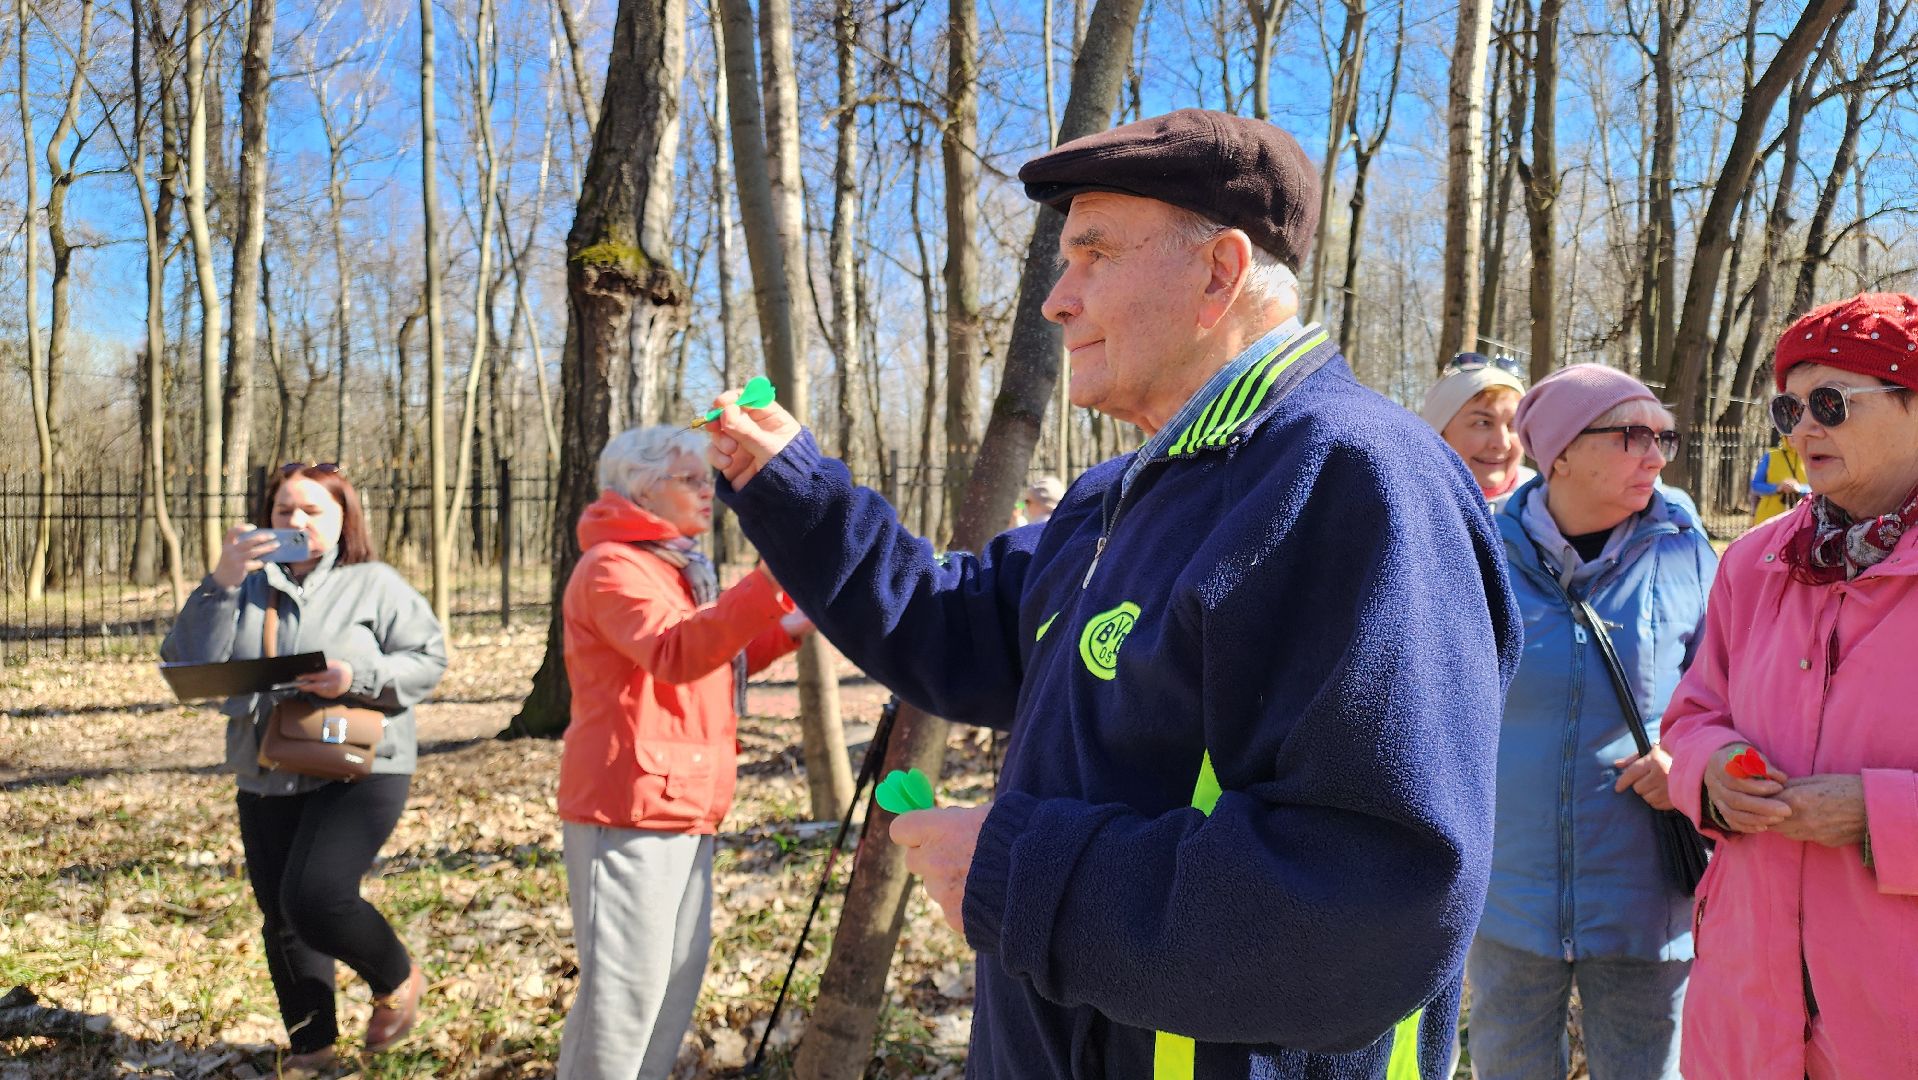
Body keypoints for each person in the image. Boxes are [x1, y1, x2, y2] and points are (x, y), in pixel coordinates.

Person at [703, 109, 1521, 1079]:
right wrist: (791, 487)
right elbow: (949, 628)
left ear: (1219, 274)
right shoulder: (1125, 490)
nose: (1056, 300)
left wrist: (1025, 876)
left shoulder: (1352, 477)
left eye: (1093, 254)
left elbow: (1375, 895)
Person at [1662, 292, 1918, 1080]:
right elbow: (1693, 714)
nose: (1804, 429)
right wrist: (1711, 770)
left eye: (1832, 404)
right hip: (1746, 1005)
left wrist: (1878, 815)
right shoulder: (1754, 560)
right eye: (1789, 407)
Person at [1465, 364, 1716, 1080]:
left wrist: (1686, 758)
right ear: (1561, 451)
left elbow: (1730, 696)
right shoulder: (1481, 550)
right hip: (1510, 897)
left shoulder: (1685, 549)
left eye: (1663, 437)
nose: (1657, 455)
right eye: (1633, 435)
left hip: (1646, 901)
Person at [160, 463, 446, 1072]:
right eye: (285, 510)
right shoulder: (241, 584)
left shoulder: (375, 583)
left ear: (345, 519)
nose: (297, 522)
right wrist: (223, 582)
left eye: (314, 511)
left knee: (315, 897)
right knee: (281, 919)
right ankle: (313, 1051)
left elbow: (429, 660)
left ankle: (397, 976)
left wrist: (356, 677)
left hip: (363, 760)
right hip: (268, 764)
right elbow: (189, 665)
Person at [555, 425, 809, 1080]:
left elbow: (713, 658)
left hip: (687, 800)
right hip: (629, 805)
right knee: (625, 997)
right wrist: (768, 577)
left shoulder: (673, 564)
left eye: (709, 480)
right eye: (692, 480)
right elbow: (673, 653)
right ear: (643, 488)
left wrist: (787, 627)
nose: (708, 493)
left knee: (671, 984)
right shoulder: (613, 566)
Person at [1420, 352, 1533, 510]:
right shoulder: (1406, 507)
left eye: (1512, 425)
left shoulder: (1548, 509)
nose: (1502, 443)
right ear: (1439, 434)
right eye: (1482, 423)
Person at [1749, 435, 1808, 526]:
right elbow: (1756, 485)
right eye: (1789, 433)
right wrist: (1777, 488)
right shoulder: (1770, 456)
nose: (1793, 436)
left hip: (1803, 518)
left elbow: (1820, 489)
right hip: (1769, 518)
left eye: (1795, 433)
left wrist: (1800, 488)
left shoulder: (1811, 458)